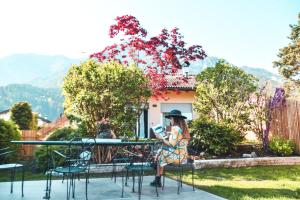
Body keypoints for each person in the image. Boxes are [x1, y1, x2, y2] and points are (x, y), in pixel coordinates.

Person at [150, 109, 191, 187]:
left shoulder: (175, 129)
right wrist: (169, 137)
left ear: (174, 119)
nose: (170, 120)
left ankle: (156, 174)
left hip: (177, 158)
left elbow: (171, 145)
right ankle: (156, 170)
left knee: (160, 154)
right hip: (184, 157)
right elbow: (179, 142)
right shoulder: (184, 129)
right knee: (161, 153)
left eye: (171, 118)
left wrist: (161, 138)